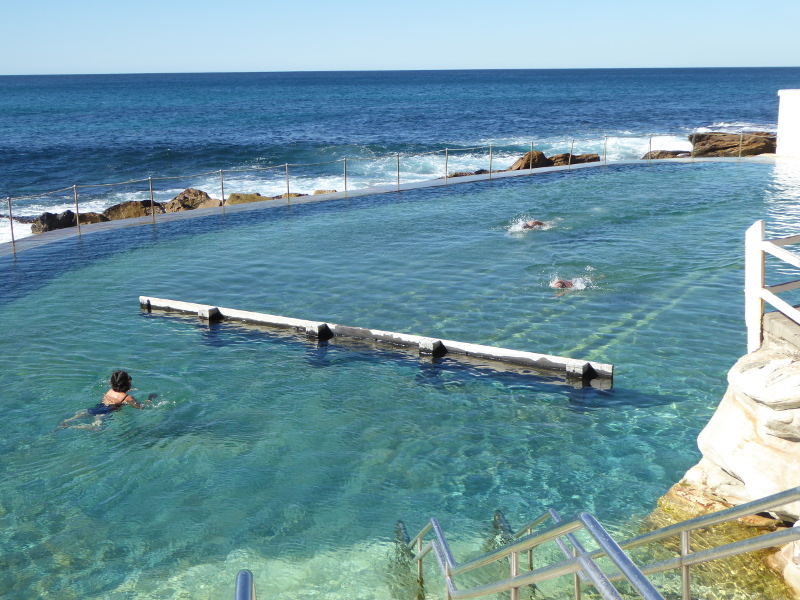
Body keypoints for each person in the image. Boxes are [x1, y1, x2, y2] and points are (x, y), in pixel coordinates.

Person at [55, 370, 156, 430]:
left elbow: (118, 392)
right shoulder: (127, 397)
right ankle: (73, 427)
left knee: (82, 414)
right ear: (127, 384)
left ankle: (68, 421)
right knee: (97, 427)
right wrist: (149, 399)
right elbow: (140, 407)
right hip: (106, 412)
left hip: (98, 407)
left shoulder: (111, 390)